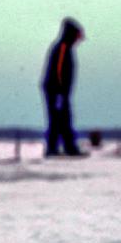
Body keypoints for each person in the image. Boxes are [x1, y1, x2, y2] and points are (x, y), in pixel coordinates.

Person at [41, 17, 85, 157]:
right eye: (78, 36)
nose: (79, 40)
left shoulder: (66, 48)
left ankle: (68, 147)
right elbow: (58, 71)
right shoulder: (62, 48)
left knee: (64, 118)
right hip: (56, 91)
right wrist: (60, 91)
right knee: (57, 119)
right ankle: (53, 149)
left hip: (60, 92)